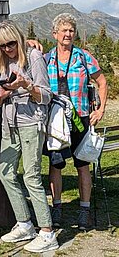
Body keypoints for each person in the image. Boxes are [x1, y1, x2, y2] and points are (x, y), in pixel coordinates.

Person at [0, 21, 58, 254]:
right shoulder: (4, 61)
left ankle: (47, 232)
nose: (7, 49)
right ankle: (24, 224)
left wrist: (26, 85)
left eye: (11, 44)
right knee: (5, 172)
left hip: (31, 123)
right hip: (9, 124)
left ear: (19, 39)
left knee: (32, 175)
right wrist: (1, 95)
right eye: (2, 46)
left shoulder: (34, 58)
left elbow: (46, 95)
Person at [46, 13, 108, 231]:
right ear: (55, 34)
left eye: (71, 30)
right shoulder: (46, 59)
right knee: (56, 165)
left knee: (83, 165)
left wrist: (100, 110)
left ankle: (84, 210)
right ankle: (57, 209)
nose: (68, 34)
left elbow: (101, 82)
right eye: (63, 30)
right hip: (56, 123)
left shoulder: (84, 57)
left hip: (81, 119)